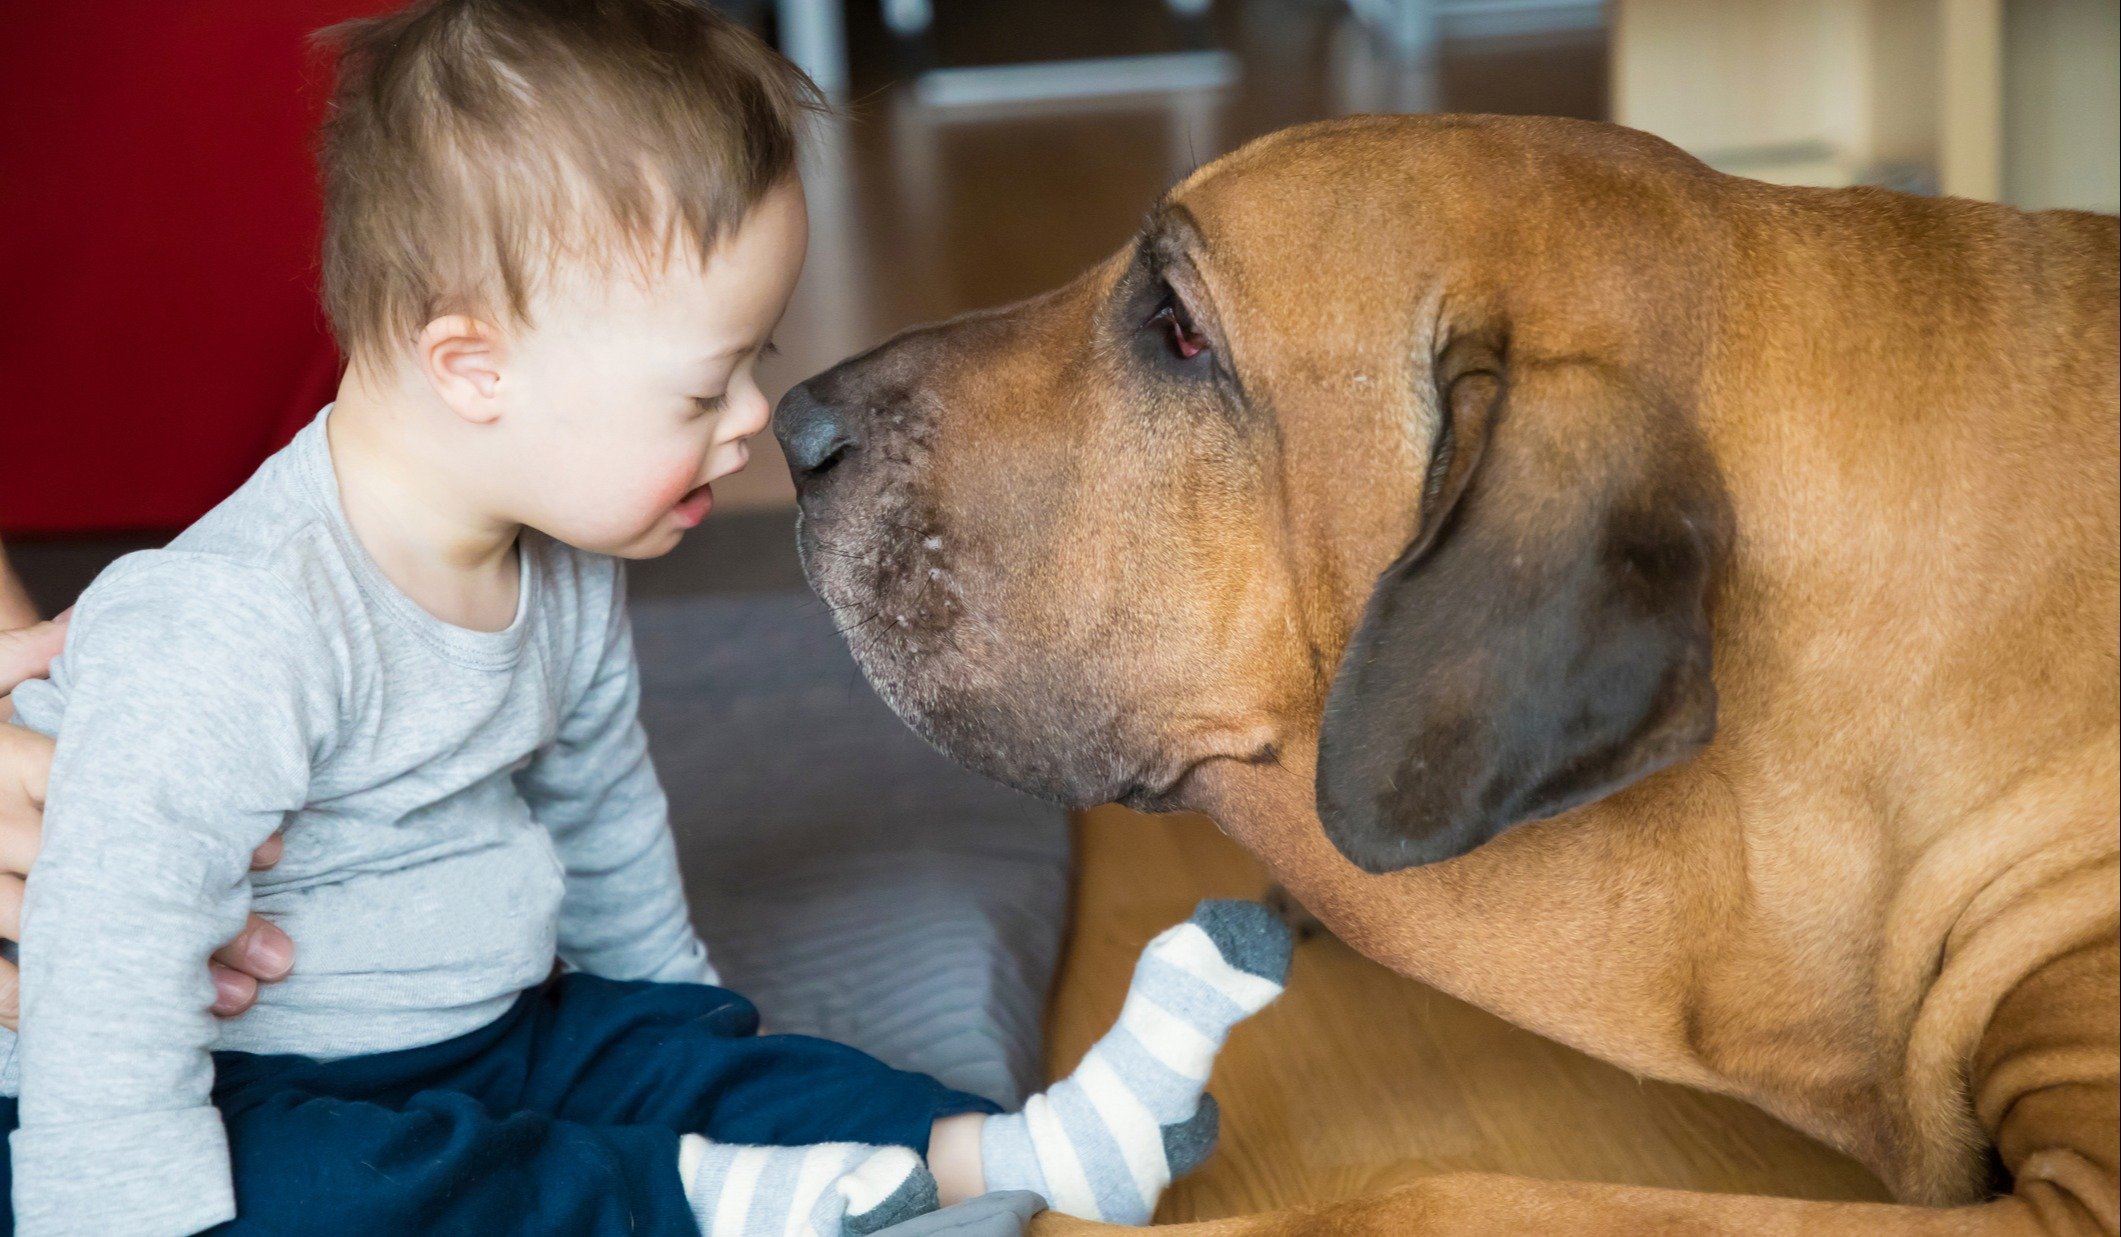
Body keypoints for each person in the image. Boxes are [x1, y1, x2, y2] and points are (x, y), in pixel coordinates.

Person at [0, 4, 1289, 1235]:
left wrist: (679, 1031)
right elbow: (105, 946)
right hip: (247, 1079)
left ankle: (1023, 1150)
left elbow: (605, 812)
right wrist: (110, 1208)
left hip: (494, 1026)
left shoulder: (558, 566)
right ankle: (696, 1201)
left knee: (722, 1071)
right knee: (326, 1193)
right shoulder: (238, 618)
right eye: (699, 388)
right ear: (475, 368)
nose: (748, 420)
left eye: (756, 361)